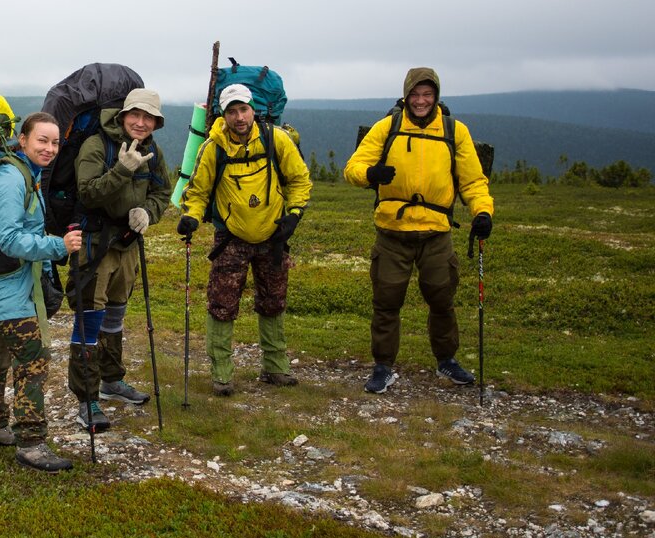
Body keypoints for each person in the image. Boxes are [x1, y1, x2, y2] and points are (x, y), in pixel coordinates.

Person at [343, 67, 494, 394]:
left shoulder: (455, 131)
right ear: (406, 95)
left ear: (436, 96)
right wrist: (372, 173)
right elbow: (352, 169)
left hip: (436, 233)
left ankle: (447, 361)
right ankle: (383, 367)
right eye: (415, 94)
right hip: (392, 231)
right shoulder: (388, 127)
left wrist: (482, 211)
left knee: (442, 299)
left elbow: (473, 180)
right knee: (386, 301)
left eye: (427, 95)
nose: (421, 100)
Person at [177, 84, 312, 395]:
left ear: (253, 109)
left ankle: (275, 368)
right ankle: (222, 373)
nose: (239, 117)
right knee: (222, 304)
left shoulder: (275, 138)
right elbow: (197, 192)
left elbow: (299, 179)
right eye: (231, 111)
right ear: (223, 115)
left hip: (274, 234)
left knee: (273, 301)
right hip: (231, 238)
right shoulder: (213, 147)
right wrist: (191, 218)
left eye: (243, 109)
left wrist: (293, 216)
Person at [0, 111, 83, 472]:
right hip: (0, 285)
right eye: (42, 140)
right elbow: (10, 239)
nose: (49, 148)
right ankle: (31, 443)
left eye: (54, 142)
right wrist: (58, 246)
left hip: (3, 282)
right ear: (23, 140)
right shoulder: (9, 180)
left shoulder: (26, 174)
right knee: (33, 357)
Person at [69, 88, 171, 431]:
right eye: (136, 115)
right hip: (95, 244)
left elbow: (162, 191)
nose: (141, 123)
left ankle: (112, 380)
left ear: (155, 123)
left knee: (116, 312)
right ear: (123, 115)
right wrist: (122, 171)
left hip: (127, 244)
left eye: (149, 118)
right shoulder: (97, 145)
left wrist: (148, 212)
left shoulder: (152, 150)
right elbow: (88, 192)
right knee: (90, 317)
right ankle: (87, 399)